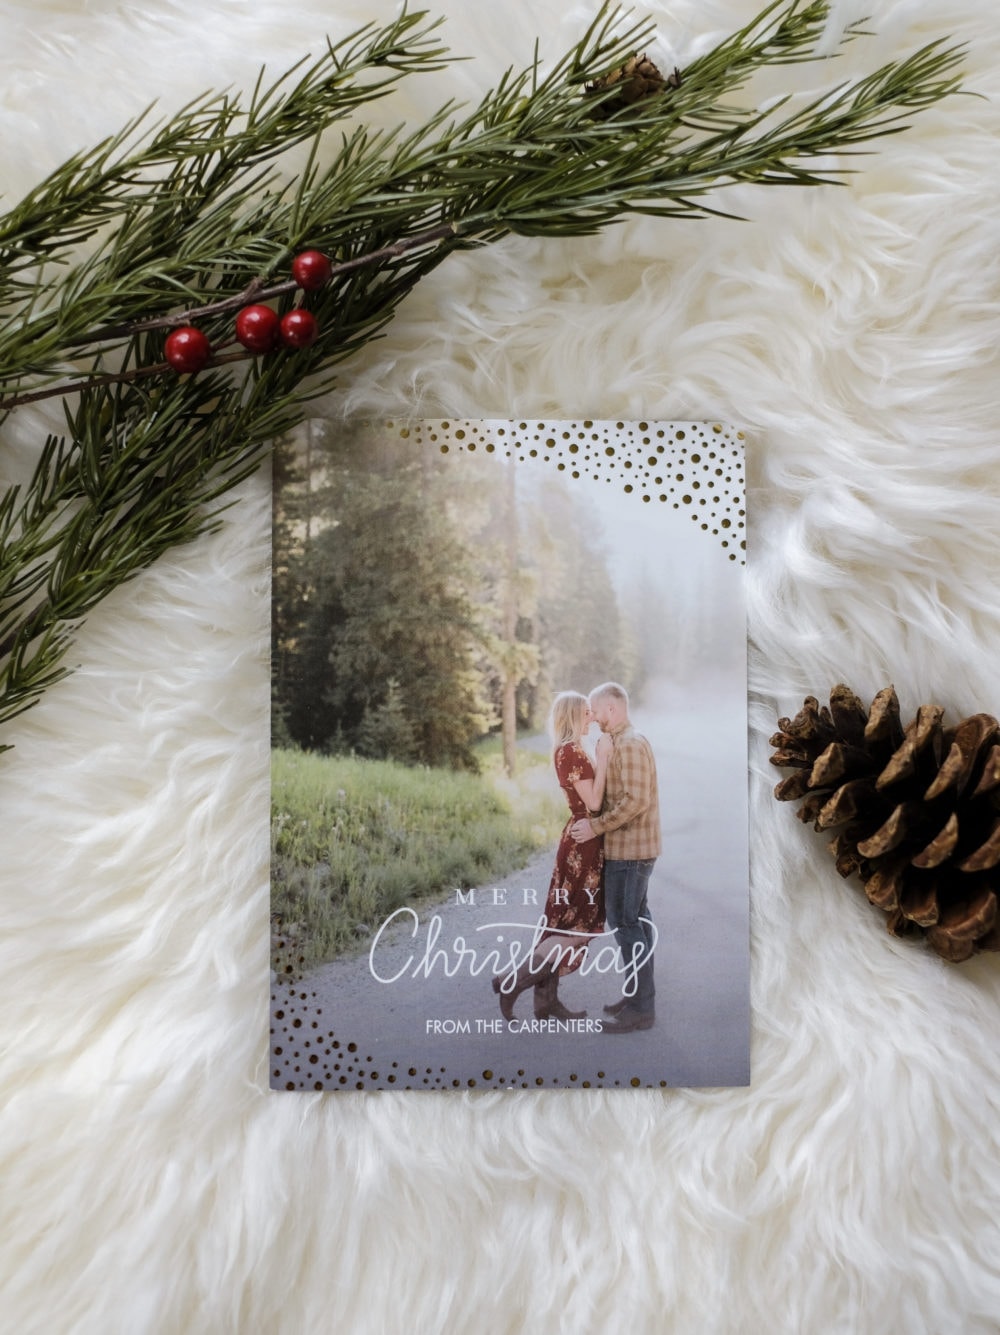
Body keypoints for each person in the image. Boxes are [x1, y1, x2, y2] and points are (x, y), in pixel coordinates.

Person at [492, 690, 608, 1021]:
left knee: (565, 921)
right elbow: (595, 804)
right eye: (586, 712)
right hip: (582, 845)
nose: (592, 717)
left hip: (581, 840)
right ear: (573, 716)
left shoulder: (569, 750)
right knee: (574, 927)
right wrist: (605, 761)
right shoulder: (572, 752)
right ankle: (511, 982)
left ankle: (546, 1003)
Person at [571, 682, 660, 1033]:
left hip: (630, 851)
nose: (592, 719)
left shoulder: (631, 743)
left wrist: (596, 827)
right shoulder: (618, 743)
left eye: (595, 711)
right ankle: (638, 996)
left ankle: (641, 1008)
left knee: (625, 925)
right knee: (636, 923)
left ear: (612, 709)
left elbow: (636, 801)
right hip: (629, 850)